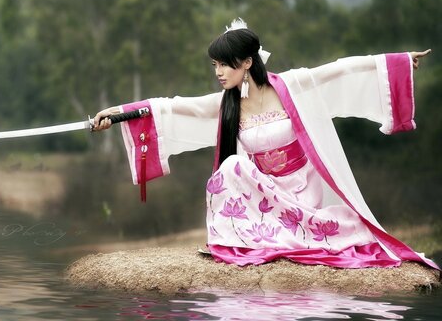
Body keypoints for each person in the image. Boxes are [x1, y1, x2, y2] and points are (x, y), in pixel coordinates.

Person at [92, 18, 438, 270]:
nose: (219, 72)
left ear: (246, 62)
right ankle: (244, 238)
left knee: (342, 229)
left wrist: (399, 61)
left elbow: (339, 70)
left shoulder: (290, 86)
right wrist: (118, 112)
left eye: (225, 64)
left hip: (304, 191)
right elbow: (171, 105)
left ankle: (296, 231)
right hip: (265, 196)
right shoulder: (226, 102)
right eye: (215, 65)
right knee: (230, 167)